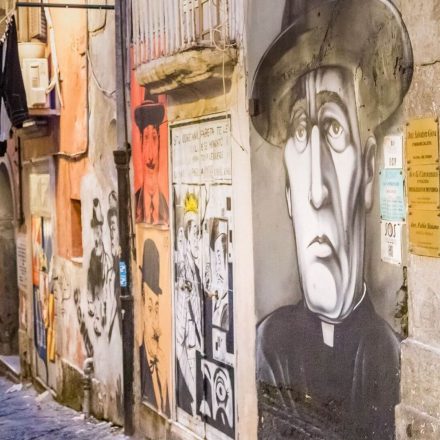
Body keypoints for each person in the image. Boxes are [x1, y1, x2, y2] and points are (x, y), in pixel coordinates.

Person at [251, 0, 413, 438]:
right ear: (288, 189)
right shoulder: (270, 346)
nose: (317, 192)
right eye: (301, 131)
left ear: (368, 171)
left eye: (334, 128)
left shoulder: (390, 357)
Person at [175, 192, 204, 415]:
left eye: (199, 233)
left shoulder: (196, 267)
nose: (197, 239)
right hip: (187, 333)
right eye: (194, 232)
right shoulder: (182, 266)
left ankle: (196, 401)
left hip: (194, 335)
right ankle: (194, 400)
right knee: (187, 359)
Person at [139, 238, 170, 415]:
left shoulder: (167, 368)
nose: (155, 325)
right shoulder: (141, 361)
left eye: (156, 310)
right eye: (150, 309)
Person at [134, 90, 169, 225]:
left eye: (154, 138)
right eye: (146, 138)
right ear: (140, 142)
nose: (150, 158)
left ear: (159, 142)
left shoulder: (167, 210)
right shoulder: (135, 205)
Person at [87, 198, 112, 337]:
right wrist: (90, 300)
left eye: (99, 232)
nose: (97, 235)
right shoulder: (93, 256)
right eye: (95, 232)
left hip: (102, 291)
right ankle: (98, 312)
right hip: (97, 291)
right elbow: (90, 280)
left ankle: (101, 312)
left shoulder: (106, 258)